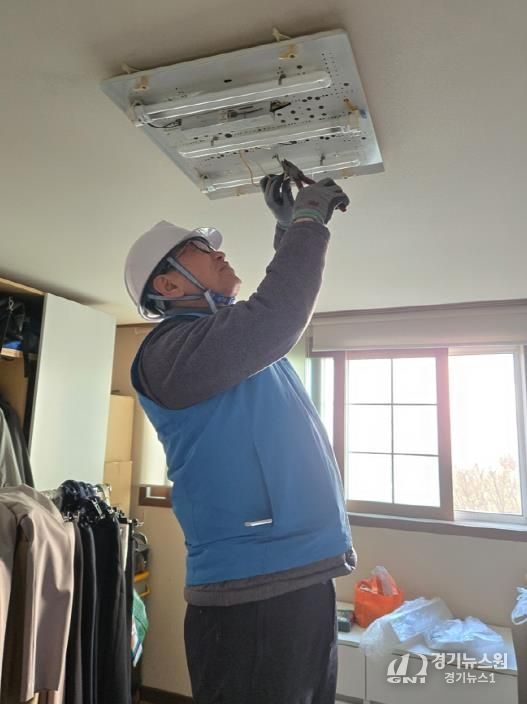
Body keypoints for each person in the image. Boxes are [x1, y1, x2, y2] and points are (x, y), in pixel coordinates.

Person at [124, 175, 357, 704]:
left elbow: (264, 321)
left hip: (298, 572)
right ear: (169, 285)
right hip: (251, 589)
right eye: (198, 248)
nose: (218, 251)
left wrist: (286, 233)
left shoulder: (225, 342)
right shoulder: (168, 353)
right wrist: (306, 224)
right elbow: (276, 315)